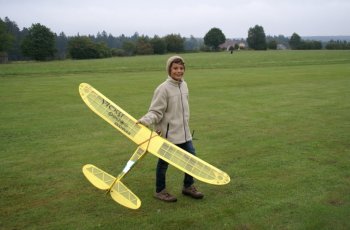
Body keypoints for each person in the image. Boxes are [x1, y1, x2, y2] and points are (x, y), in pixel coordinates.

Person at [138, 55, 204, 202]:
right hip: (168, 135)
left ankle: (188, 186)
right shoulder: (163, 89)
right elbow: (155, 111)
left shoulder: (184, 85)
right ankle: (160, 191)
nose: (178, 71)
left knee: (191, 158)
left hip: (184, 133)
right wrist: (144, 121)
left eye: (181, 68)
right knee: (163, 164)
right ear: (169, 69)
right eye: (175, 68)